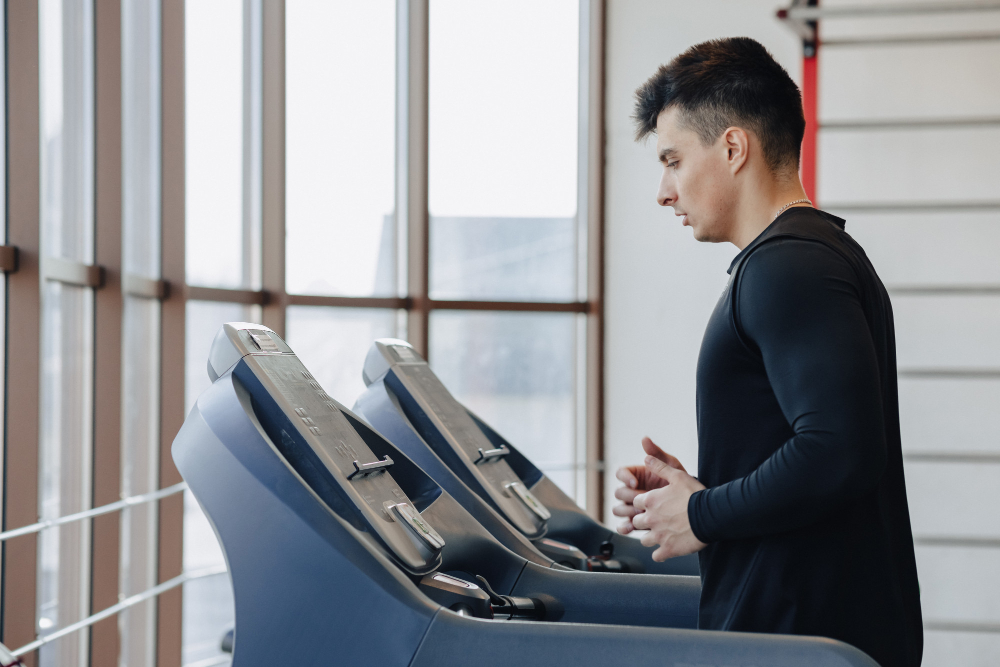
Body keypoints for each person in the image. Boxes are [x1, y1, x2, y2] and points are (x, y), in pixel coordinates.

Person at [613, 37, 922, 667]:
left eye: (673, 160)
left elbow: (836, 452)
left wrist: (701, 511)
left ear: (732, 148)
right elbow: (814, 452)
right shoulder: (808, 259)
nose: (664, 190)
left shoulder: (789, 267)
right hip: (803, 630)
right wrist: (701, 492)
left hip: (800, 641)